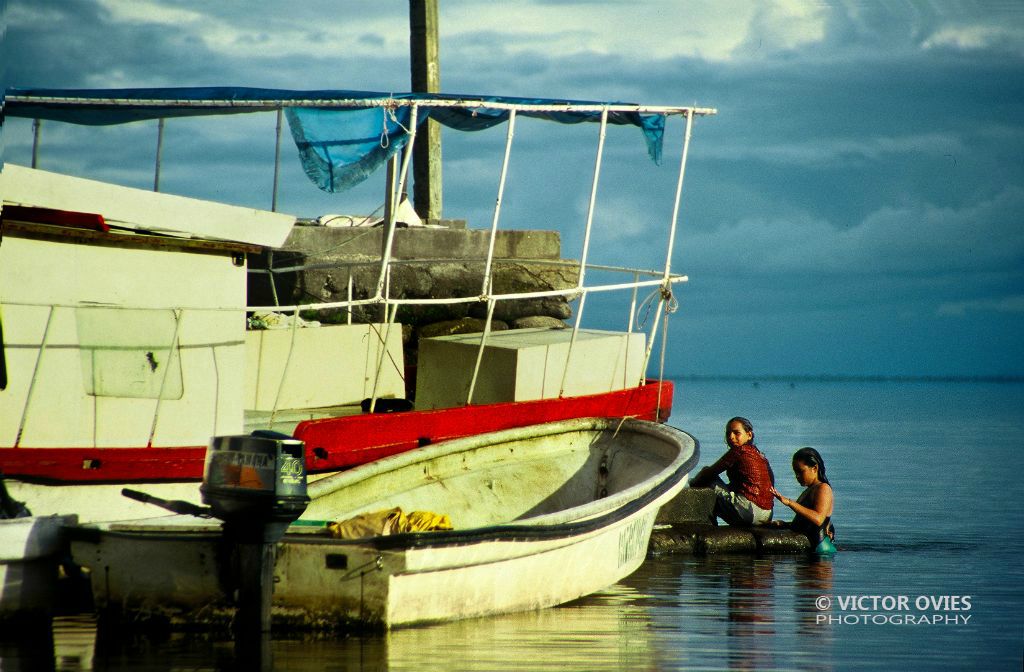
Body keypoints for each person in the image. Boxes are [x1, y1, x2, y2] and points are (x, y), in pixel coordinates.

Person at [690, 417, 775, 526]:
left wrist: (692, 483)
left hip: (749, 513)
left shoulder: (739, 450)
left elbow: (709, 473)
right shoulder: (760, 455)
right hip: (767, 515)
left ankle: (707, 524)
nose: (731, 437)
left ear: (749, 435)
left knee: (708, 478)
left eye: (736, 433)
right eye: (728, 433)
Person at [771, 447, 836, 555]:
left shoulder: (823, 488)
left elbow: (818, 519)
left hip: (821, 551)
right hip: (810, 548)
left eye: (800, 472)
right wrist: (784, 524)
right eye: (795, 472)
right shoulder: (810, 490)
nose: (797, 476)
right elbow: (805, 523)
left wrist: (789, 503)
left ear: (814, 468)